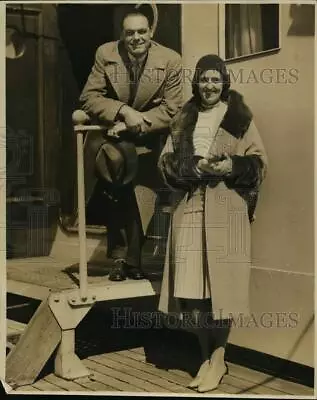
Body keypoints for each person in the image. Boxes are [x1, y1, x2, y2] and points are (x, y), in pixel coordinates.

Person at [157, 54, 268, 392]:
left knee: (223, 291)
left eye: (215, 80)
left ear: (224, 83)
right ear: (197, 82)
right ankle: (205, 357)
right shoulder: (183, 119)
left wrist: (229, 166)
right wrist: (190, 168)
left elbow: (259, 163)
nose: (209, 86)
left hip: (226, 210)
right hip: (191, 208)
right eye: (204, 79)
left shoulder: (239, 119)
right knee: (195, 293)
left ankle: (219, 359)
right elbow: (165, 162)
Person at [79, 5, 183, 281]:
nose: (136, 38)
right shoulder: (106, 53)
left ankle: (133, 262)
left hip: (148, 137)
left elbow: (173, 110)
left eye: (141, 32)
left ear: (151, 32)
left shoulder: (171, 60)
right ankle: (119, 260)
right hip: (112, 136)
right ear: (122, 35)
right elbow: (89, 97)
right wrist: (122, 112)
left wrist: (139, 121)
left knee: (142, 200)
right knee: (118, 192)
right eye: (129, 33)